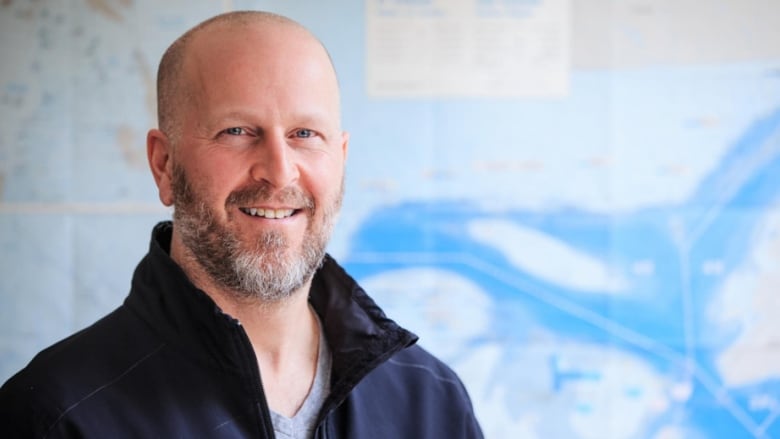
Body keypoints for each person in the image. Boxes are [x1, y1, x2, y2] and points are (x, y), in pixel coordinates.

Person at [0, 10, 483, 439]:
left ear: (340, 159)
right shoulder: (56, 414)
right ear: (164, 165)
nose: (279, 170)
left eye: (304, 135)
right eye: (237, 131)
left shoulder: (431, 400)